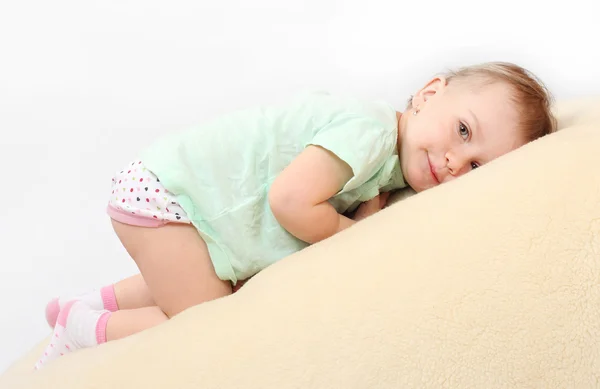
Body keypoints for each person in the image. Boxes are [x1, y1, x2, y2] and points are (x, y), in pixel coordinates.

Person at [34, 61, 556, 369]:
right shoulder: (369, 131)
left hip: (183, 207)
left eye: (476, 166)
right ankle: (86, 328)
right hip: (170, 197)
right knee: (209, 317)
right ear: (429, 93)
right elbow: (290, 201)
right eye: (463, 132)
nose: (454, 162)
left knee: (194, 278)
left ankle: (81, 303)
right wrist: (354, 233)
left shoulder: (389, 164)